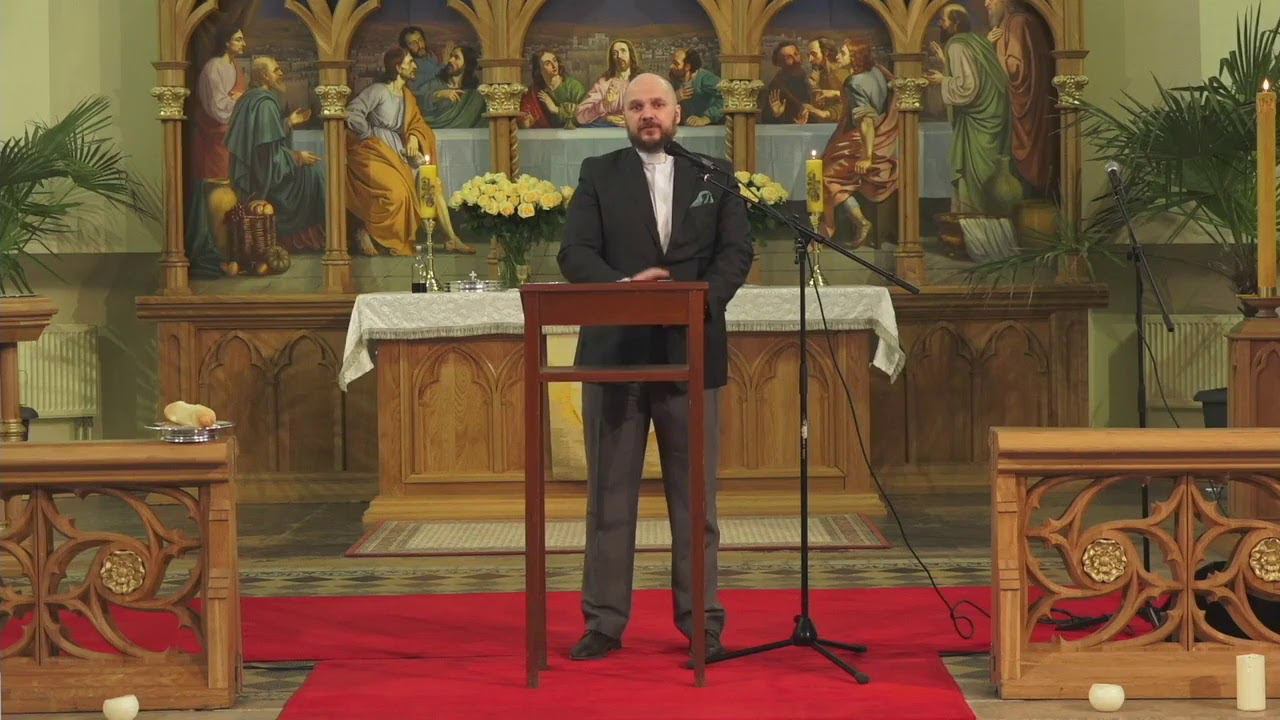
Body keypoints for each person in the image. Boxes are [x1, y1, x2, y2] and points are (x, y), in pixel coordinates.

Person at [558, 73, 753, 662]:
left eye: (658, 104)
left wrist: (698, 302)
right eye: (636, 106)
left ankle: (702, 624)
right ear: (622, 116)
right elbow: (575, 253)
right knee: (610, 497)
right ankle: (604, 623)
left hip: (691, 350)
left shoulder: (713, 174)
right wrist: (625, 288)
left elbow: (736, 252)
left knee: (696, 501)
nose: (648, 113)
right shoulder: (599, 173)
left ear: (677, 113)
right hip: (616, 351)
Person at [345, 47, 471, 256]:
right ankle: (370, 232)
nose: (415, 66)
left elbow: (417, 124)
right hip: (374, 152)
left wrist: (413, 136)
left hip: (399, 151)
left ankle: (452, 238)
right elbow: (352, 112)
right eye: (410, 62)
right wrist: (368, 133)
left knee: (432, 183)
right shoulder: (378, 91)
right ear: (398, 67)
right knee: (398, 193)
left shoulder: (407, 96)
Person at [225, 56, 326, 251]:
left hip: (256, 174)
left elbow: (262, 140)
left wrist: (289, 122)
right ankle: (311, 239)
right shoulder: (265, 104)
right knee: (316, 173)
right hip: (265, 181)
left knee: (314, 169)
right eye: (276, 70)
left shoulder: (250, 99)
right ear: (264, 76)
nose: (281, 73)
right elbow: (269, 158)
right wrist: (298, 157)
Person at [927, 4, 1018, 215]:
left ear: (956, 22)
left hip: (977, 121)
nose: (940, 23)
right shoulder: (976, 40)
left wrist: (942, 80)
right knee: (990, 171)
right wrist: (945, 63)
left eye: (944, 19)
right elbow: (976, 70)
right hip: (992, 114)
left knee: (976, 173)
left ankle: (974, 217)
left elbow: (967, 88)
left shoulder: (956, 44)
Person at [821, 42, 899, 246]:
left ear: (855, 56)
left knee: (824, 176)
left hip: (864, 139)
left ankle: (860, 222)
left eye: (843, 53)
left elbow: (866, 121)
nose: (838, 56)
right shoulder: (876, 71)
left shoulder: (854, 82)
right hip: (883, 133)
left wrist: (867, 156)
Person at [986, 0, 1056, 194]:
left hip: (1026, 104)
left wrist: (990, 49)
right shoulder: (1013, 22)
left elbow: (1014, 69)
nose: (986, 3)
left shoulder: (1018, 23)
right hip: (1025, 102)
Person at [191, 25, 248, 182]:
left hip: (232, 132)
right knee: (219, 183)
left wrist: (240, 99)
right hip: (216, 134)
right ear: (226, 42)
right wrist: (239, 100)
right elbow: (217, 107)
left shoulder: (235, 66)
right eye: (238, 40)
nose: (244, 44)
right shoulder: (213, 67)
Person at [575, 39, 640, 128]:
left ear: (630, 55)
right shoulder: (604, 83)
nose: (619, 56)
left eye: (623, 51)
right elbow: (580, 116)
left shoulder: (642, 81)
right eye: (615, 53)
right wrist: (604, 105)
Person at [419, 45, 486, 129]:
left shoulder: (472, 94)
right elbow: (416, 99)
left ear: (466, 64)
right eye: (451, 56)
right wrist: (437, 95)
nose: (450, 60)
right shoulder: (434, 84)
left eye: (456, 57)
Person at [519, 50, 587, 129]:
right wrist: (526, 121)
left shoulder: (574, 87)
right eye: (547, 64)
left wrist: (555, 109)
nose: (554, 66)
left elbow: (584, 114)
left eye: (554, 60)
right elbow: (524, 118)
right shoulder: (534, 92)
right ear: (539, 70)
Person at [759, 42, 812, 124]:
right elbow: (765, 119)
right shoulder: (777, 86)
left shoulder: (807, 76)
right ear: (780, 63)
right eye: (788, 57)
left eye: (796, 54)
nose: (795, 59)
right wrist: (776, 114)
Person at [669, 48, 723, 126]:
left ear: (687, 66)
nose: (671, 66)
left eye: (676, 64)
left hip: (710, 128)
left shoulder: (705, 79)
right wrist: (674, 98)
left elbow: (727, 96)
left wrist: (706, 118)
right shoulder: (673, 78)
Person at [399, 25, 442, 116]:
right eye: (413, 43)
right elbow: (420, 90)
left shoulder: (431, 56)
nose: (419, 45)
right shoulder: (410, 67)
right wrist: (445, 64)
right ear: (406, 48)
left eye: (420, 40)